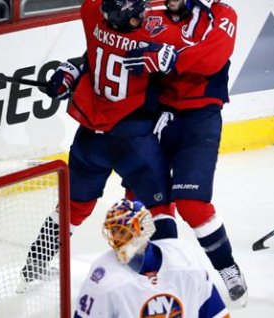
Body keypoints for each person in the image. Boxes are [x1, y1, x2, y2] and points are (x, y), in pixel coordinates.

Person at [16, 0, 185, 292]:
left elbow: (92, 55)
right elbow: (179, 62)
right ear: (128, 20)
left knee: (73, 206)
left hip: (91, 140)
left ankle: (35, 262)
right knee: (159, 206)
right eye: (137, 14)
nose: (143, 15)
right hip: (134, 142)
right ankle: (170, 276)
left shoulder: (92, 15)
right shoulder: (150, 37)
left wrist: (68, 71)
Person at [123, 0, 247, 305]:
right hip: (159, 116)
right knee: (140, 201)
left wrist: (169, 57)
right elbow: (119, 50)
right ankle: (158, 275)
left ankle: (227, 267)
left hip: (200, 120)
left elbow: (213, 57)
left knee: (192, 204)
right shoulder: (150, 17)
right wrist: (84, 70)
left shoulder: (222, 14)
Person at [73, 199, 230, 318]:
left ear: (144, 228)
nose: (117, 238)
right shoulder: (104, 278)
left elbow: (216, 313)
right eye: (114, 231)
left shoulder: (184, 259)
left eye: (124, 230)